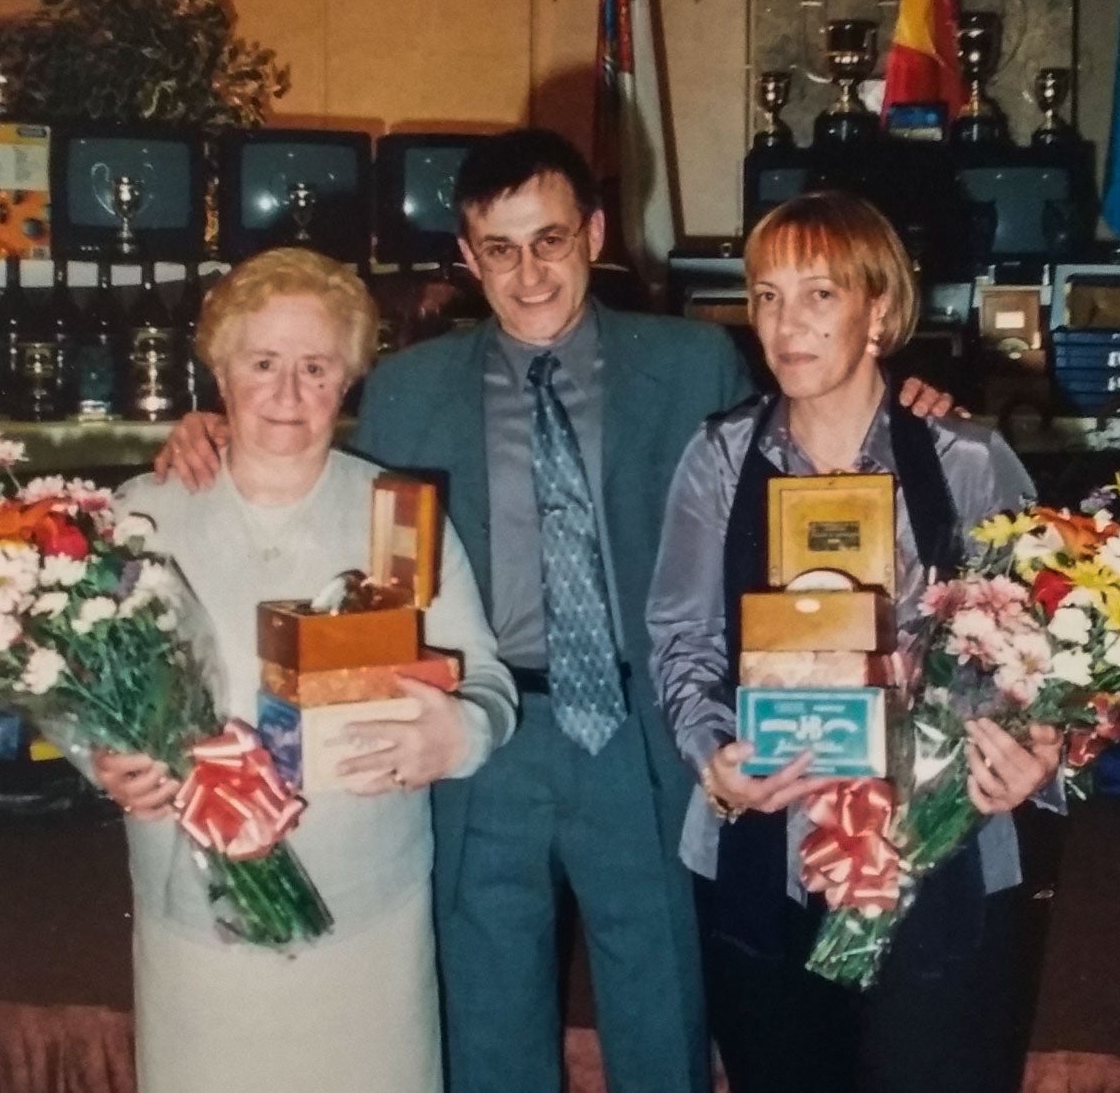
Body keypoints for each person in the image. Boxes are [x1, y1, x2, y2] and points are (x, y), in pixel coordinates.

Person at [155, 129, 955, 1093]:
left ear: (594, 233)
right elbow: (305, 461)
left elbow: (806, 446)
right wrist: (202, 427)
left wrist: (904, 408)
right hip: (482, 738)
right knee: (486, 1009)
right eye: (499, 248)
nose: (528, 273)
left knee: (660, 1000)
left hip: (643, 734)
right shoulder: (410, 391)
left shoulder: (694, 362)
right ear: (466, 255)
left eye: (549, 241)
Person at [646, 189, 1062, 1093]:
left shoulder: (965, 461)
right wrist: (711, 754)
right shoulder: (716, 460)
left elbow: (1046, 654)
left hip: (937, 853)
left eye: (818, 294)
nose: (785, 324)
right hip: (768, 848)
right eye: (764, 294)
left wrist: (1039, 754)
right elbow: (680, 640)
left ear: (878, 308)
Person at [94, 247, 516, 1093]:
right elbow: (83, 684)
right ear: (219, 370)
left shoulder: (396, 517)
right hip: (194, 908)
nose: (288, 394)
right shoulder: (144, 514)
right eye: (263, 364)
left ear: (350, 377)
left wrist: (456, 733)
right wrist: (102, 761)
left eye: (317, 368)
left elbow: (490, 688)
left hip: (367, 910)